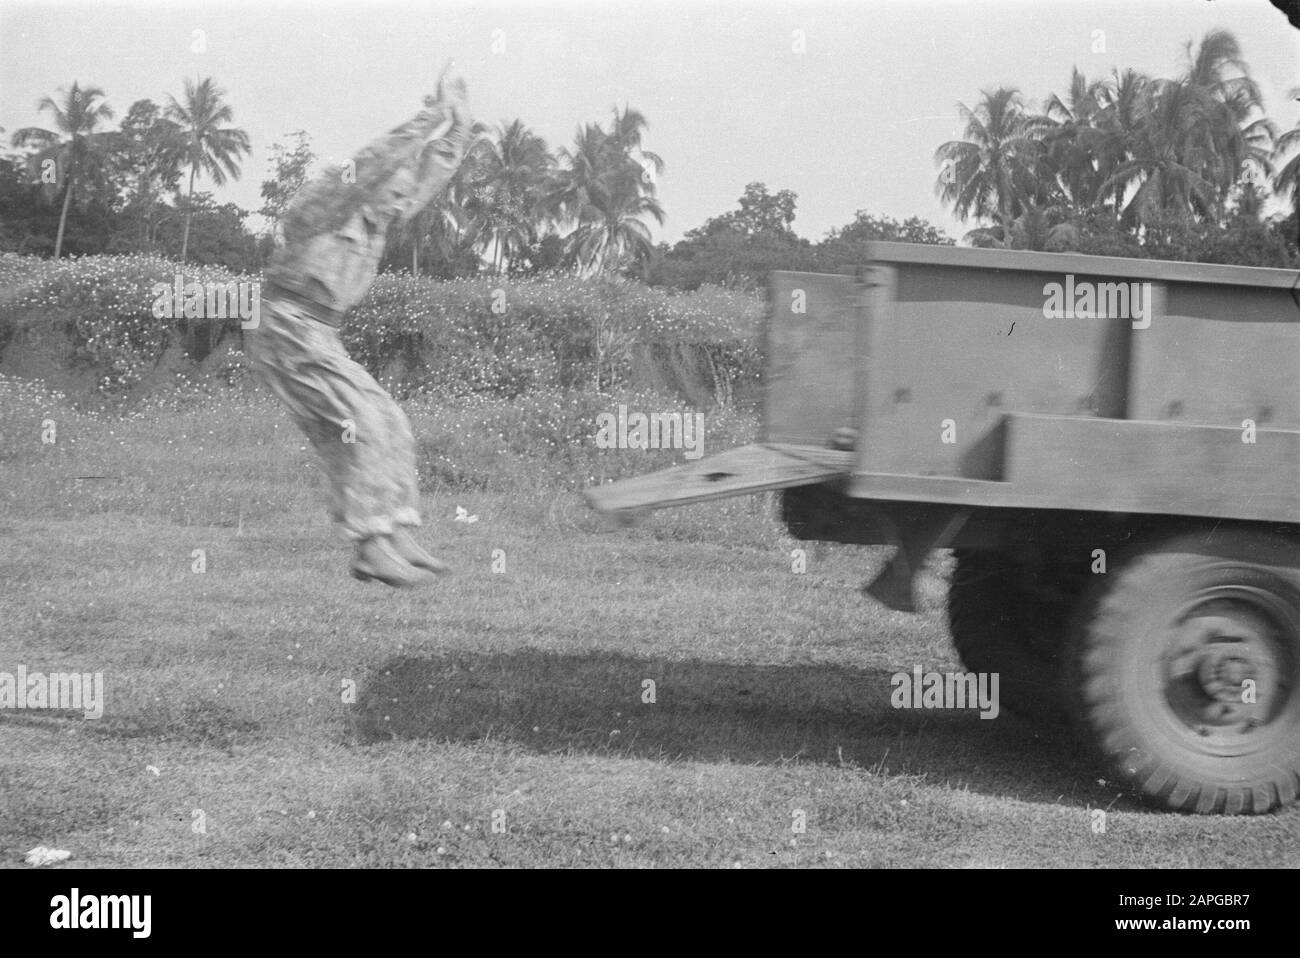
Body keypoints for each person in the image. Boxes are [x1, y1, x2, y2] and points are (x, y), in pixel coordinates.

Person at [246, 75, 473, 587]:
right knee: (357, 425)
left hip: (319, 332)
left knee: (389, 420)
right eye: (392, 193)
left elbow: (430, 173)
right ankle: (370, 546)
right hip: (284, 325)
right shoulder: (329, 204)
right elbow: (376, 159)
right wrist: (428, 116)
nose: (400, 205)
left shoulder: (378, 216)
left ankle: (395, 531)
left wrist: (459, 122)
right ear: (370, 185)